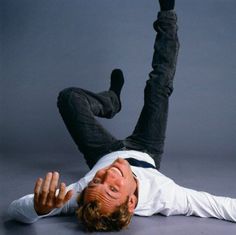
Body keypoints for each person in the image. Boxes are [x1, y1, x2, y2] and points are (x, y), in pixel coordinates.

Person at [7, 0, 236, 232]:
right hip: (146, 148)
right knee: (159, 86)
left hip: (103, 151)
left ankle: (111, 101)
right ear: (132, 202)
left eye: (97, 180)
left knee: (69, 98)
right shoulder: (166, 196)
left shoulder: (81, 194)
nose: (106, 175)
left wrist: (38, 208)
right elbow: (220, 206)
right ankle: (168, 13)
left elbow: (15, 210)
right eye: (114, 189)